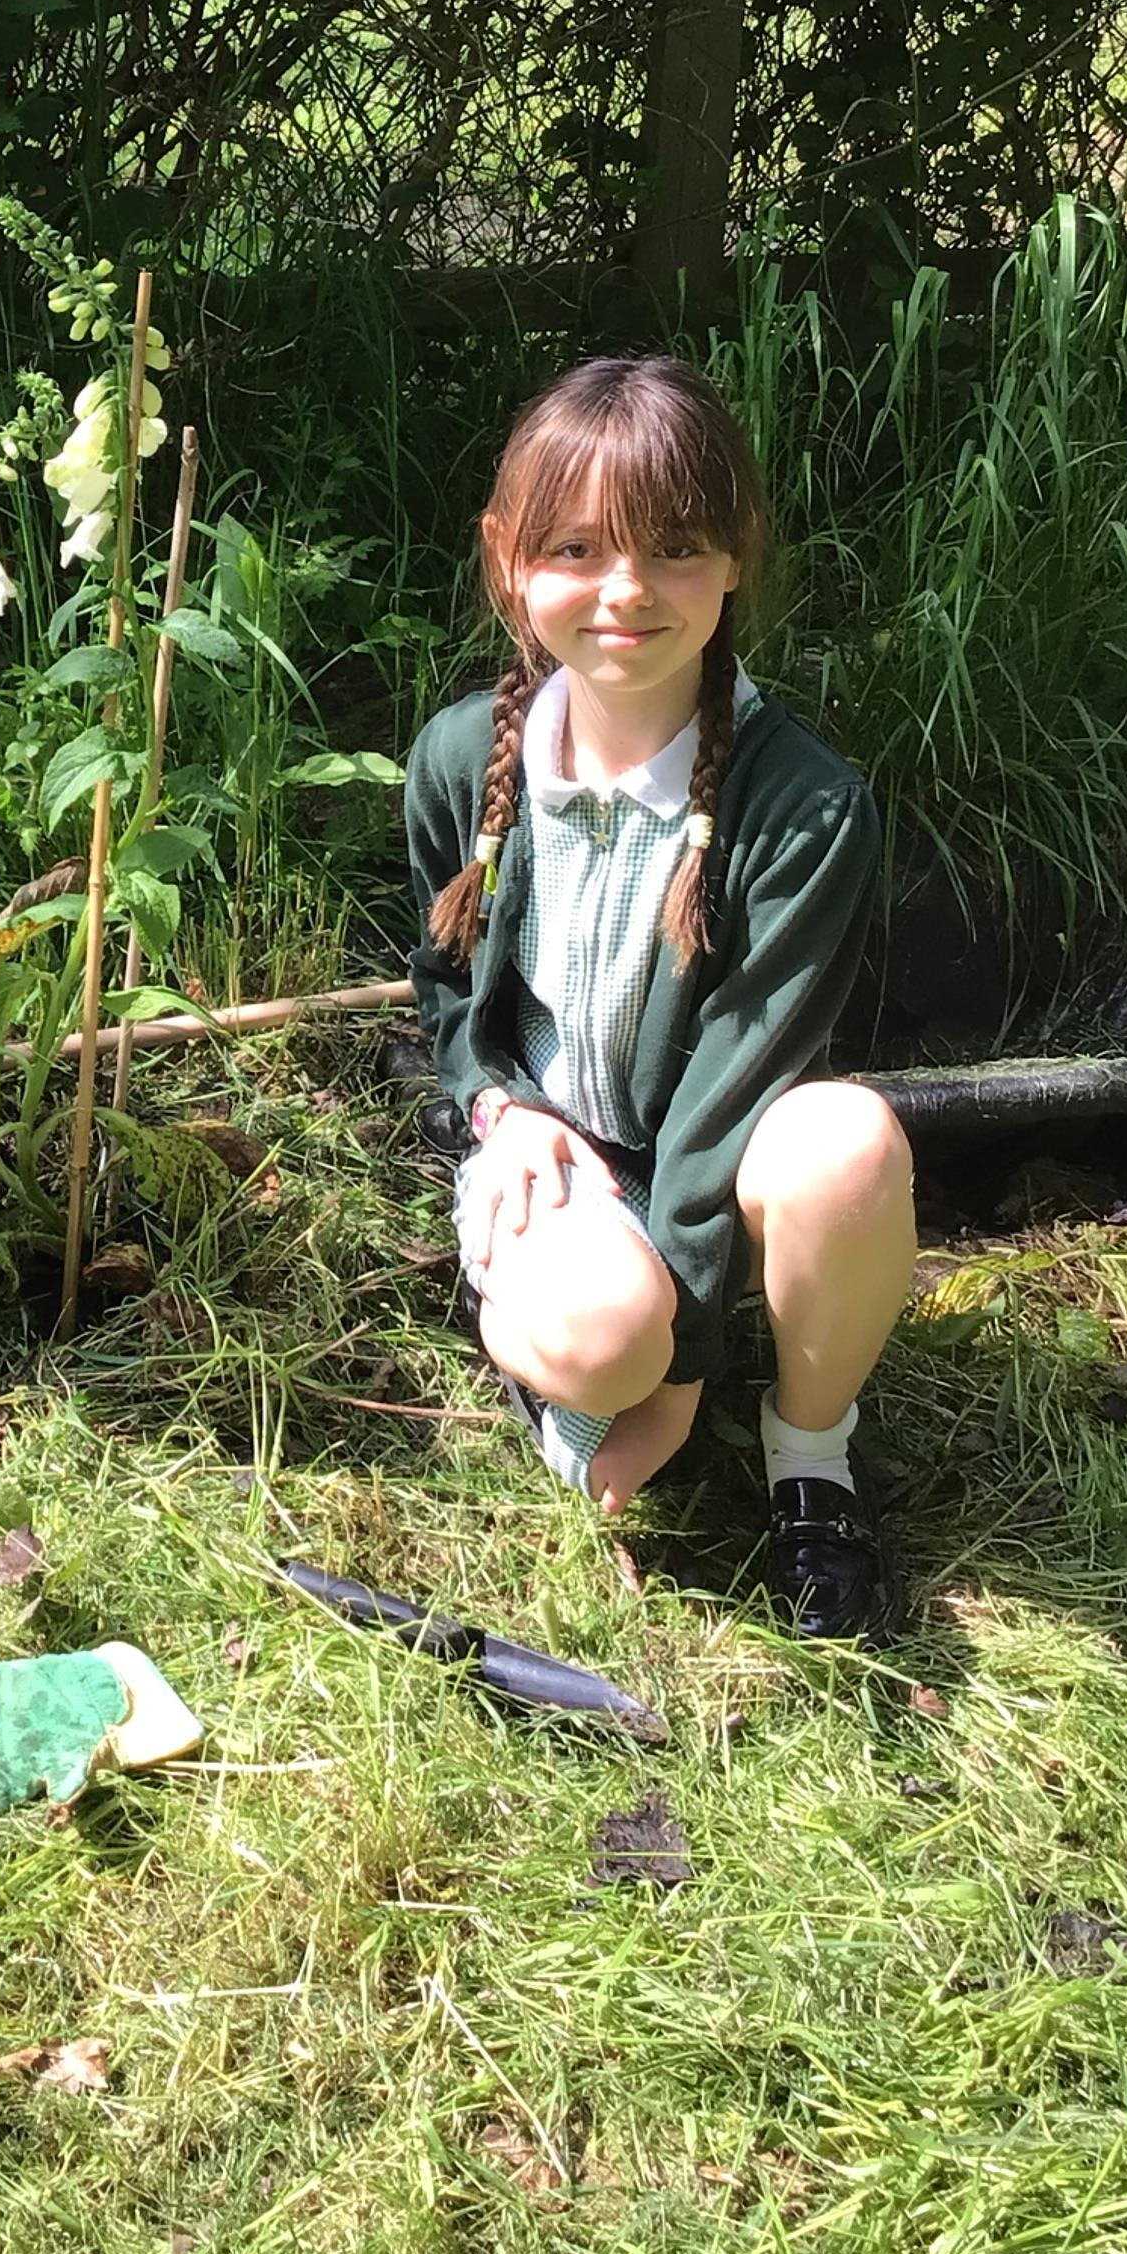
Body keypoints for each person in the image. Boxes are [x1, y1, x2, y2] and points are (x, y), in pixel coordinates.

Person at [403, 354, 915, 1640]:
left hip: (719, 1154)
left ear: (736, 558)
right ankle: (570, 1352)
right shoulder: (466, 758)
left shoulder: (804, 805)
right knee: (599, 1340)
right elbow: (445, 991)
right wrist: (497, 1111)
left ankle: (811, 1459)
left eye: (676, 546)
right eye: (577, 547)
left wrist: (682, 1375)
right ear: (508, 559)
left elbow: (744, 1073)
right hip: (553, 1152)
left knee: (849, 1146)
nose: (625, 590)